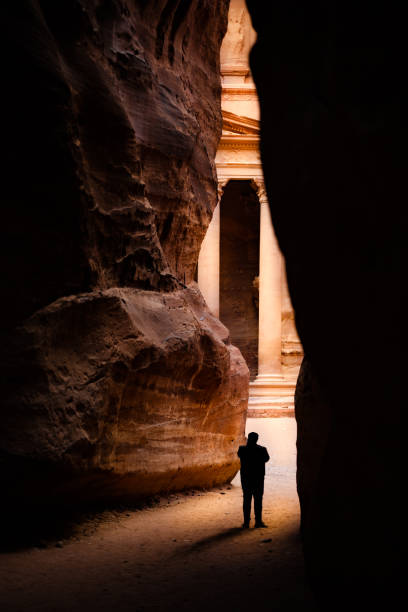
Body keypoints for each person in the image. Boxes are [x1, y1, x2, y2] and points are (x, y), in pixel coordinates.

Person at [238, 432, 269, 528]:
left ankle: (246, 522)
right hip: (258, 479)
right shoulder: (262, 449)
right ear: (257, 439)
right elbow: (267, 459)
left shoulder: (242, 449)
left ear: (248, 439)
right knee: (258, 500)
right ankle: (258, 522)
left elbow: (240, 456)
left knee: (247, 500)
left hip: (246, 478)